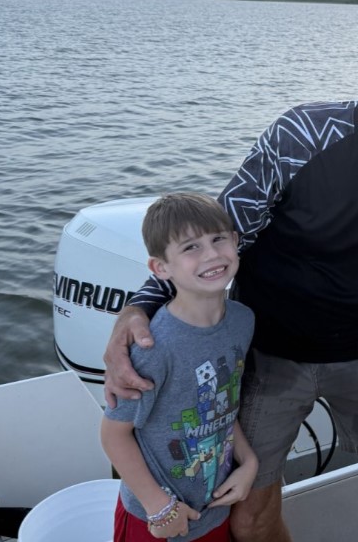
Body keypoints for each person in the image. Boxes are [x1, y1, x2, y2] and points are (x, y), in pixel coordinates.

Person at [104, 13, 358, 542]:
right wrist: (140, 307)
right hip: (269, 353)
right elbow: (222, 232)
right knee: (251, 518)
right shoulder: (303, 134)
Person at [100, 192, 257, 541]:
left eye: (218, 239)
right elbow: (114, 434)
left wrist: (249, 463)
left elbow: (223, 404)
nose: (212, 254)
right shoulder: (155, 347)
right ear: (161, 268)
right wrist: (159, 507)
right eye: (191, 247)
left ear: (235, 241)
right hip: (154, 520)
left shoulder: (243, 321)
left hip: (214, 510)